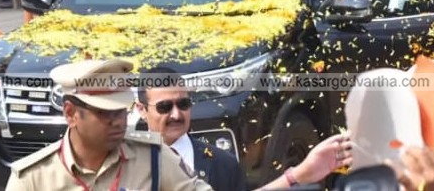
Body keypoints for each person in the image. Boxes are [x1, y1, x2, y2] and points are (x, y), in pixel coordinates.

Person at [5, 59, 214, 191]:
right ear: (71, 114)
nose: (118, 121)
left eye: (121, 110)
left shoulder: (154, 157)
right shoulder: (33, 179)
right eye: (104, 113)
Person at [136, 67, 353, 191]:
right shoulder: (124, 161)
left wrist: (299, 175)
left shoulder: (222, 165)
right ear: (142, 110)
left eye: (183, 104)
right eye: (164, 107)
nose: (176, 115)